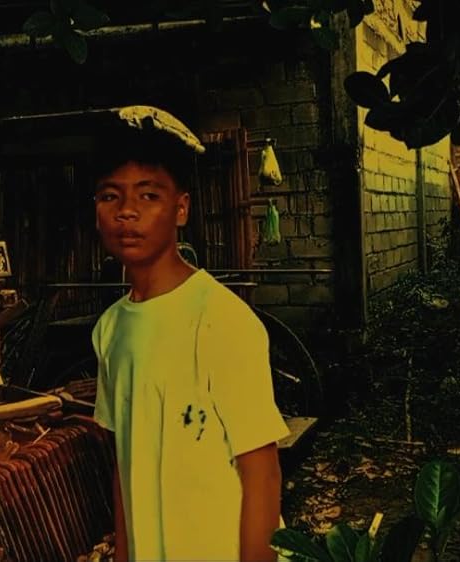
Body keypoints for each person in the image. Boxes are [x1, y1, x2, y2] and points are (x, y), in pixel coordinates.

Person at [90, 107, 290, 562]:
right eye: (110, 196)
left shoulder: (221, 320)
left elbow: (262, 473)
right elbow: (125, 464)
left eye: (148, 195)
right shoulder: (110, 330)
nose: (126, 212)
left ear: (181, 209)